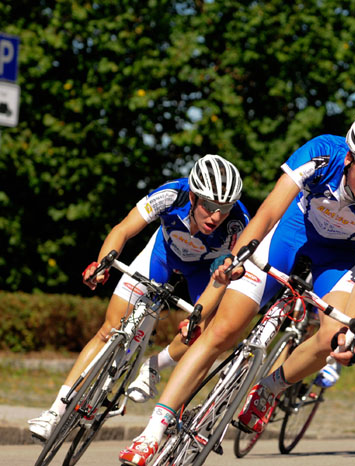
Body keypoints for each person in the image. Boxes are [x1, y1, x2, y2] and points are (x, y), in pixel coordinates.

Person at [119, 110, 355, 466]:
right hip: (291, 235)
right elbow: (270, 211)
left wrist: (351, 330)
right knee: (222, 330)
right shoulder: (323, 152)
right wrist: (239, 256)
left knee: (332, 336)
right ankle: (152, 432)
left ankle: (269, 389)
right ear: (350, 158)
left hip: (339, 260)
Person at [28, 155, 250, 444]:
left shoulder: (237, 223)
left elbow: (226, 275)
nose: (216, 216)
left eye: (225, 208)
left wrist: (200, 312)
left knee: (202, 333)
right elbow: (123, 229)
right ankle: (55, 412)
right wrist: (102, 265)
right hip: (162, 256)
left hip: (204, 272)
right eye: (209, 205)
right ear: (193, 197)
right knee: (109, 330)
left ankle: (154, 366)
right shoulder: (171, 194)